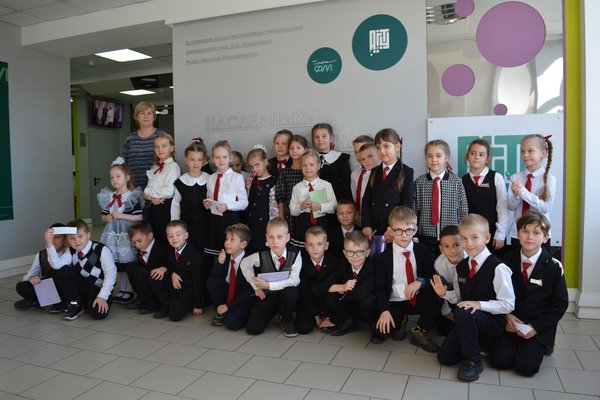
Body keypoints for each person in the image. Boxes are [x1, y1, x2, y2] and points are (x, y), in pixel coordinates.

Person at [437, 214, 515, 382]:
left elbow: (508, 305)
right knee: (445, 357)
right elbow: (460, 298)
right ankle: (476, 343)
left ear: (487, 238)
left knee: (463, 312)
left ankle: (473, 361)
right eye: (464, 238)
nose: (469, 244)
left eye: (474, 237)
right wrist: (444, 294)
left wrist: (479, 304)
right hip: (469, 320)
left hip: (492, 322)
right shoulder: (462, 266)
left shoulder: (498, 268)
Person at [491, 211, 568, 376]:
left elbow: (560, 304)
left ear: (546, 238)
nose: (530, 237)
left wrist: (535, 327)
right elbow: (495, 292)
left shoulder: (554, 267)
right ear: (517, 234)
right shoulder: (507, 261)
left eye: (536, 232)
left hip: (538, 326)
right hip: (512, 322)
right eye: (525, 231)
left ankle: (542, 345)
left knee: (526, 368)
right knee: (499, 361)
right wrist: (507, 316)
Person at [373, 206, 443, 351]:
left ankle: (420, 330)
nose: (404, 235)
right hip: (395, 302)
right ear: (390, 231)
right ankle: (401, 320)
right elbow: (380, 287)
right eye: (398, 230)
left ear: (415, 230)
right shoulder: (383, 258)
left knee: (438, 292)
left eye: (408, 230)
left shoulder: (422, 251)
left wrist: (420, 282)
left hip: (418, 297)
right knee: (384, 333)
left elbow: (432, 276)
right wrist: (384, 310)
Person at [240, 217, 301, 337]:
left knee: (291, 292)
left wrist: (269, 285)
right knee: (253, 329)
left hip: (287, 294)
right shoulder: (261, 254)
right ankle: (274, 311)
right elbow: (244, 264)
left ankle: (286, 318)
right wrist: (256, 286)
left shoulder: (295, 253)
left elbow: (295, 280)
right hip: (269, 295)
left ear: (287, 237)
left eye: (279, 237)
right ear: (266, 237)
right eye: (271, 237)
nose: (275, 241)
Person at [98, 161, 143, 304]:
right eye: (112, 177)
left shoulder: (132, 196)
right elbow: (103, 215)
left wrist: (121, 216)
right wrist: (107, 218)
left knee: (128, 261)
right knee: (117, 262)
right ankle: (122, 289)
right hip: (112, 234)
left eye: (118, 176)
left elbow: (139, 217)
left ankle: (129, 290)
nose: (114, 180)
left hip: (126, 233)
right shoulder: (109, 196)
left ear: (127, 177)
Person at [361, 128, 414, 247]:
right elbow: (366, 200)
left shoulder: (407, 172)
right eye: (378, 147)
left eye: (386, 146)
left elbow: (406, 205)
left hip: (395, 231)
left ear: (397, 146)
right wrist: (366, 225)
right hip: (374, 229)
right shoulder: (374, 171)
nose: (382, 151)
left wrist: (394, 229)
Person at [414, 139, 468, 255]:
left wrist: (462, 234)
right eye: (430, 156)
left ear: (446, 158)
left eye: (438, 156)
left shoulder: (457, 182)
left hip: (451, 237)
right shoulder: (419, 182)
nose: (434, 160)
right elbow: (414, 210)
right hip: (426, 237)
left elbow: (463, 210)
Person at [321, 231, 377, 337]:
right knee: (330, 295)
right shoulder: (344, 263)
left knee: (367, 300)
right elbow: (324, 285)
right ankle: (349, 321)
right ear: (345, 253)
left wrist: (341, 291)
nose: (355, 256)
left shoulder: (371, 267)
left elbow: (362, 293)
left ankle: (374, 324)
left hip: (368, 308)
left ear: (367, 253)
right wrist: (342, 287)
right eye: (350, 252)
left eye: (360, 252)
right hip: (352, 303)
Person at [507, 134, 555, 252]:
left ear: (543, 153)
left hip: (540, 235)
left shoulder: (550, 179)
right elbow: (511, 207)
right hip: (518, 234)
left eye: (530, 151)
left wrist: (523, 192)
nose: (525, 155)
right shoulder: (515, 177)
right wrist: (516, 195)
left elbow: (545, 208)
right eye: (523, 151)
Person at [61, 219, 117, 320]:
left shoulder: (101, 249)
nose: (76, 241)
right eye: (72, 238)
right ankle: (76, 303)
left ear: (88, 235)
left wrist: (102, 296)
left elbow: (110, 274)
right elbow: (57, 265)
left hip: (98, 287)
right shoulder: (71, 250)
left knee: (98, 314)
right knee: (63, 269)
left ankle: (84, 303)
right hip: (83, 284)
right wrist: (49, 245)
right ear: (68, 240)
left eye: (80, 236)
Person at [202, 140, 249, 257]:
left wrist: (228, 205)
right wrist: (207, 204)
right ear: (212, 159)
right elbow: (209, 197)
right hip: (213, 219)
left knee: (229, 252)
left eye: (224, 157)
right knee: (215, 254)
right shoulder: (211, 178)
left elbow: (244, 202)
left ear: (230, 158)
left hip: (230, 219)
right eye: (217, 157)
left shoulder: (237, 178)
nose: (221, 160)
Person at [462, 139, 508, 252]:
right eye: (472, 153)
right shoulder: (462, 181)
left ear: (487, 158)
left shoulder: (496, 177)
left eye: (481, 154)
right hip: (470, 237)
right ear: (467, 156)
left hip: (492, 235)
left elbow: (503, 208)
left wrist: (500, 234)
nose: (476, 157)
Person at [207, 224, 255, 330]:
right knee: (212, 282)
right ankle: (222, 310)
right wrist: (220, 263)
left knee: (232, 324)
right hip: (229, 294)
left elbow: (247, 294)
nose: (227, 243)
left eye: (232, 240)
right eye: (226, 239)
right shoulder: (226, 257)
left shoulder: (249, 262)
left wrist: (228, 306)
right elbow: (214, 279)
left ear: (243, 244)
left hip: (242, 299)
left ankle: (230, 311)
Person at [14, 224, 72, 313]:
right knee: (21, 286)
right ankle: (42, 300)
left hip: (65, 288)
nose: (53, 240)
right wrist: (31, 278)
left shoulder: (69, 253)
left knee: (59, 271)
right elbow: (29, 275)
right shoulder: (42, 254)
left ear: (65, 239)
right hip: (49, 287)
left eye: (57, 237)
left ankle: (60, 302)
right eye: (50, 236)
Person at [289, 150, 337, 248]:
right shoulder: (297, 187)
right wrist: (300, 207)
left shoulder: (326, 185)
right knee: (303, 250)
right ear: (301, 167)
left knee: (319, 249)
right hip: (303, 224)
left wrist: (320, 206)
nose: (308, 168)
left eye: (311, 165)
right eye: (304, 165)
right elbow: (292, 211)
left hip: (321, 222)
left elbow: (334, 207)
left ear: (318, 166)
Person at [171, 139, 211, 256]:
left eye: (199, 160)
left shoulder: (209, 179)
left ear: (204, 161)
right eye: (192, 159)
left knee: (205, 256)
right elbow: (175, 205)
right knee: (189, 254)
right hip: (187, 226)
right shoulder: (181, 182)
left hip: (206, 225)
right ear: (186, 160)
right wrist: (175, 226)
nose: (196, 163)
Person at [296, 226, 339, 333]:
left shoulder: (334, 262)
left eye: (319, 244)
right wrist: (316, 316)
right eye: (311, 244)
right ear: (306, 246)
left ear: (326, 245)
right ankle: (316, 316)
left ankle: (329, 316)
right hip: (308, 302)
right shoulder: (300, 262)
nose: (315, 248)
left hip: (326, 302)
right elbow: (304, 292)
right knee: (304, 328)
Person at [126, 222, 170, 318]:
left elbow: (172, 264)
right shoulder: (142, 247)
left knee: (143, 273)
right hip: (148, 277)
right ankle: (143, 298)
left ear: (150, 236)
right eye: (134, 242)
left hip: (161, 279)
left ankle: (163, 304)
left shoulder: (161, 248)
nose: (137, 245)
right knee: (131, 267)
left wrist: (164, 268)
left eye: (139, 241)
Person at [144, 132, 181, 244]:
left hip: (166, 208)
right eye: (157, 146)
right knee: (155, 237)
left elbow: (169, 191)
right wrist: (152, 197)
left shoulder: (173, 167)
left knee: (165, 237)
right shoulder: (154, 167)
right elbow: (145, 192)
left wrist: (150, 192)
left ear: (171, 148)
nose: (160, 149)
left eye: (164, 146)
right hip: (154, 206)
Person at [430, 225, 466, 335]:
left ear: (464, 243)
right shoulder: (439, 265)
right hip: (450, 295)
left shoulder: (472, 260)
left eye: (456, 245)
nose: (452, 250)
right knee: (444, 329)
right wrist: (447, 313)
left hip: (470, 298)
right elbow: (441, 291)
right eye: (446, 246)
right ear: (441, 249)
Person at [165, 220, 205, 321]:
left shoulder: (194, 255)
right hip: (176, 284)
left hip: (189, 288)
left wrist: (198, 305)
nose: (174, 238)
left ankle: (189, 303)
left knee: (174, 316)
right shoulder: (170, 249)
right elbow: (170, 265)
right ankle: (166, 303)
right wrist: (173, 273)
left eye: (178, 235)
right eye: (170, 236)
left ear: (186, 235)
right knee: (158, 278)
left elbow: (198, 281)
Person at [120, 101, 163, 191]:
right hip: (133, 189)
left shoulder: (162, 136)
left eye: (149, 113)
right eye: (142, 113)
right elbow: (124, 164)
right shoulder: (130, 139)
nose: (146, 116)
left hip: (157, 190)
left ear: (154, 117)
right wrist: (130, 185)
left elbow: (168, 162)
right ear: (136, 117)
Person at [245, 145, 278, 253]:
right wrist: (248, 189)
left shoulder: (273, 182)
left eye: (257, 165)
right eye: (251, 167)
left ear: (265, 162)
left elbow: (274, 208)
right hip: (251, 225)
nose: (254, 169)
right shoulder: (252, 181)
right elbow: (247, 203)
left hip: (265, 226)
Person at [275, 134, 308, 238]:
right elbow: (280, 197)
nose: (294, 151)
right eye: (291, 148)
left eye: (298, 148)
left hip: (306, 212)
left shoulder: (308, 171)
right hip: (289, 213)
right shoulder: (285, 172)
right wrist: (281, 217)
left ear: (306, 149)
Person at [311, 123, 352, 202]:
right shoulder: (309, 158)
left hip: (337, 202)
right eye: (316, 137)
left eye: (324, 136)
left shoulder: (342, 159)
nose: (320, 139)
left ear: (331, 138)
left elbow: (346, 186)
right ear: (313, 140)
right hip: (315, 203)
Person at [351, 142, 380, 225]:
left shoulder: (383, 175)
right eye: (363, 159)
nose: (366, 161)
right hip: (361, 218)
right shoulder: (355, 174)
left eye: (370, 156)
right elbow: (354, 196)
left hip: (379, 217)